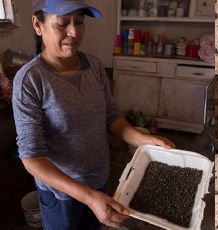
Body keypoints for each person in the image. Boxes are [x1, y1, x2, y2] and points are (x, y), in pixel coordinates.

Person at [12, 0, 175, 229]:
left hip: (99, 181)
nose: (74, 32)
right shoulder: (30, 80)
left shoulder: (94, 67)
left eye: (79, 22)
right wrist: (87, 197)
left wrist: (145, 141)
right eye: (62, 24)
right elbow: (31, 157)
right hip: (62, 195)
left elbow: (111, 118)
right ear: (38, 25)